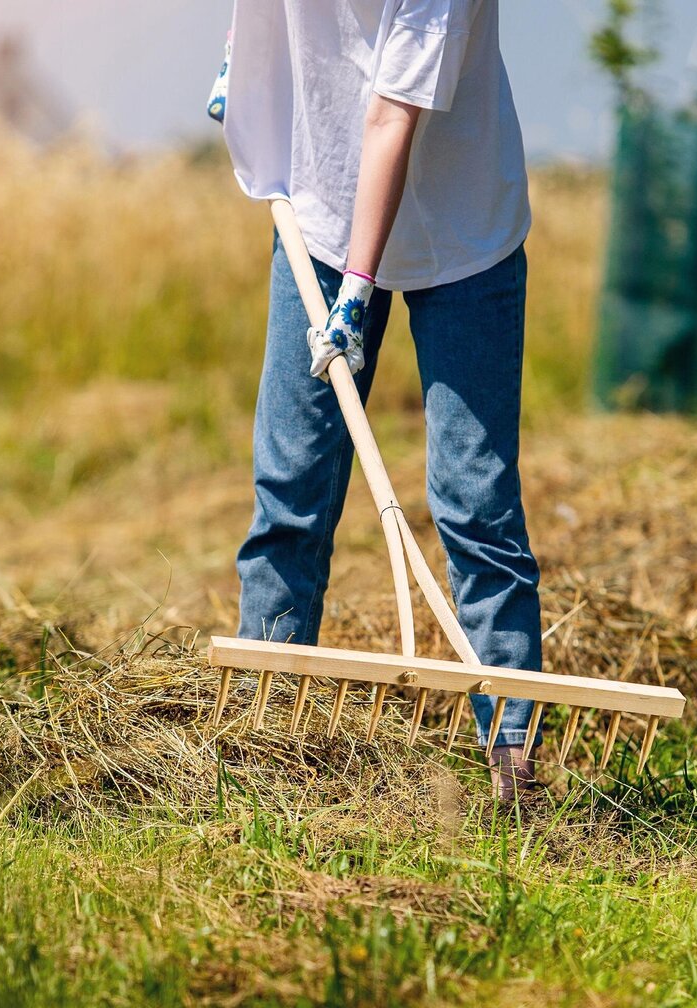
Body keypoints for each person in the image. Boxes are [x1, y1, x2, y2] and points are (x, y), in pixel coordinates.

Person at [215, 0, 542, 798]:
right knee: (291, 489)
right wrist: (242, 73)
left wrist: (357, 293)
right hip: (321, 215)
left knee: (475, 501)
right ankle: (260, 741)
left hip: (461, 234)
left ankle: (512, 761)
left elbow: (393, 116)